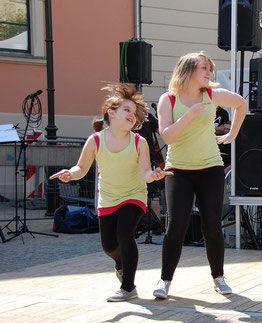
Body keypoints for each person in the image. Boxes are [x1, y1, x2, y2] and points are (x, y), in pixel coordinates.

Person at [50, 83, 172, 302]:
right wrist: (70, 174)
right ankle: (120, 263)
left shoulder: (139, 142)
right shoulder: (95, 140)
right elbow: (81, 169)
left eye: (134, 112)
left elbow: (145, 172)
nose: (132, 115)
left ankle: (128, 288)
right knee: (109, 246)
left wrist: (153, 175)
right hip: (108, 198)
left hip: (133, 195)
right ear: (111, 112)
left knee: (124, 234)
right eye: (127, 110)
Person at [153, 52, 248, 299]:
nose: (209, 72)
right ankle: (165, 280)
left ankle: (219, 277)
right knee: (176, 226)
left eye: (210, 68)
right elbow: (168, 136)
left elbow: (241, 104)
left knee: (212, 226)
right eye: (204, 68)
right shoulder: (168, 99)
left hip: (210, 169)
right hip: (178, 170)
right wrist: (189, 115)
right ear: (188, 70)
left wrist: (232, 135)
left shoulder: (212, 95)